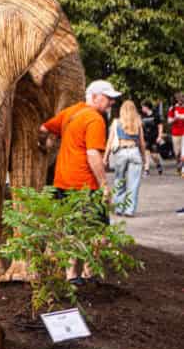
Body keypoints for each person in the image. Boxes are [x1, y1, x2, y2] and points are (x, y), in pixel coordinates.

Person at [38, 79, 121, 284]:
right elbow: (93, 154)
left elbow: (43, 128)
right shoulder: (95, 119)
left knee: (70, 228)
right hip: (85, 184)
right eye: (108, 98)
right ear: (94, 97)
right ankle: (87, 272)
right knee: (98, 230)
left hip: (62, 182)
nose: (111, 102)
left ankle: (71, 276)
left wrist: (47, 144)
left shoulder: (71, 112)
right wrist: (104, 185)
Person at [105, 100, 145, 217]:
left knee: (119, 181)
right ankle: (129, 210)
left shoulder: (116, 122)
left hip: (121, 152)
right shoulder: (138, 122)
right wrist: (144, 158)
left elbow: (110, 141)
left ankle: (118, 208)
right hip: (134, 151)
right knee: (134, 183)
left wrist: (106, 157)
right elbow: (142, 143)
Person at [140, 101, 164, 175]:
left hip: (154, 137)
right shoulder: (142, 116)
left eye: (143, 107)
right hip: (146, 137)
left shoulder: (155, 115)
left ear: (147, 107)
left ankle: (158, 164)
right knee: (146, 153)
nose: (142, 108)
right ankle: (146, 169)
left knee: (154, 155)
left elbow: (160, 126)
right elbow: (140, 126)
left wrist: (160, 136)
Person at [167, 92, 184, 176]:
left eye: (182, 97)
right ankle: (179, 166)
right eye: (179, 98)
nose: (180, 99)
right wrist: (175, 118)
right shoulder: (172, 108)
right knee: (177, 153)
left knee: (183, 152)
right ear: (176, 99)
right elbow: (169, 121)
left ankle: (182, 169)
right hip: (176, 133)